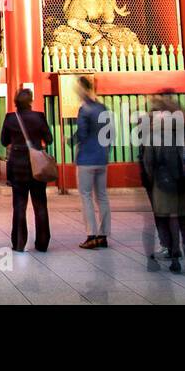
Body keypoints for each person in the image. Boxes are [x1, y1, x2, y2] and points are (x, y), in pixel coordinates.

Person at [139, 96, 185, 274]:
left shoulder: (153, 133)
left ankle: (175, 261)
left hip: (163, 183)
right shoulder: (184, 129)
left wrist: (154, 180)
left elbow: (148, 162)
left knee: (169, 222)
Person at [0, 88, 53, 252]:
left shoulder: (10, 118)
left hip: (18, 166)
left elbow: (3, 141)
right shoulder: (39, 117)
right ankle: (42, 242)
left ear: (16, 102)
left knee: (19, 205)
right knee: (40, 205)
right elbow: (49, 139)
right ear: (30, 101)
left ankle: (19, 242)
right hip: (37, 166)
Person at [73, 75, 111, 249]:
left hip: (87, 159)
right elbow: (109, 133)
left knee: (86, 196)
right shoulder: (102, 107)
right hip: (102, 157)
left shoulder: (84, 109)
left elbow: (81, 133)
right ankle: (104, 235)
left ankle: (91, 234)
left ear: (82, 89)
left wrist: (70, 140)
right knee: (102, 196)